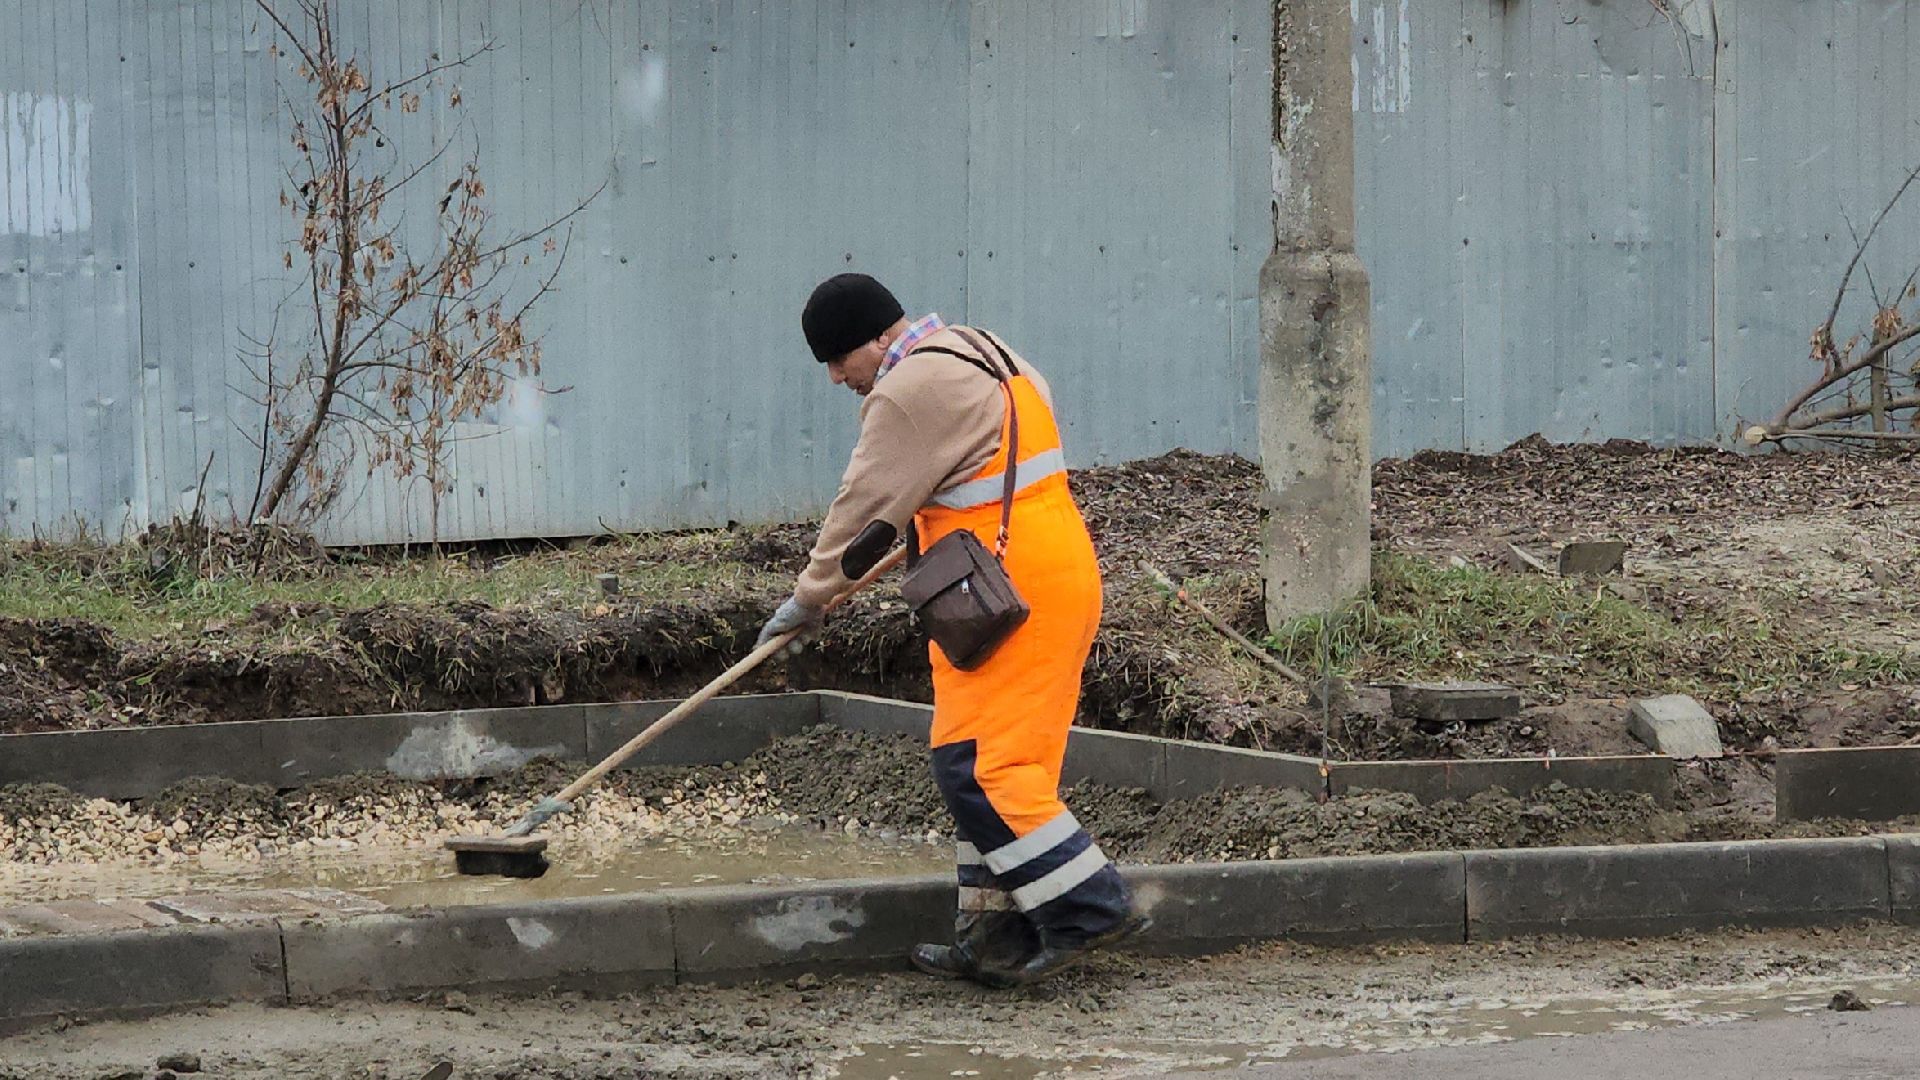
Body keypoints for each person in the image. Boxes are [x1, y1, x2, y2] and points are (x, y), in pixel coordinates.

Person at [756, 272, 1149, 988]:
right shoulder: (988, 350)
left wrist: (810, 597)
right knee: (1003, 764)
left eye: (839, 359)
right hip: (1040, 574)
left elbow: (866, 510)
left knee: (980, 769)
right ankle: (994, 935)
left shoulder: (910, 391)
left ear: (875, 340)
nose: (838, 376)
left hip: (1000, 590)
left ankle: (1091, 905)